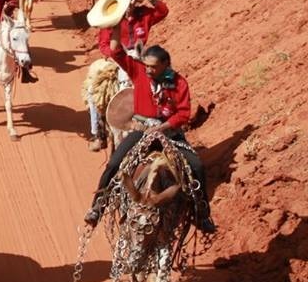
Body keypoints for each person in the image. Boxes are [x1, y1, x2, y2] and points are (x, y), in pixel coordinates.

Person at [83, 41, 216, 234]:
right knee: (114, 163)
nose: (148, 70)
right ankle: (97, 207)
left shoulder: (179, 83)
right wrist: (116, 26)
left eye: (153, 66)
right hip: (142, 131)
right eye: (146, 65)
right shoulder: (138, 71)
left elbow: (183, 113)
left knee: (196, 166)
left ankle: (201, 213)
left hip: (171, 134)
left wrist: (163, 127)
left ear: (165, 65)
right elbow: (116, 52)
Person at [89, 0, 169, 150]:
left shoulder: (144, 14)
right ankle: (99, 133)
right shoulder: (112, 17)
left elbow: (163, 11)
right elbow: (103, 44)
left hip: (141, 57)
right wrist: (112, 57)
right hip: (118, 58)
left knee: (166, 80)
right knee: (95, 88)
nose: (131, 2)